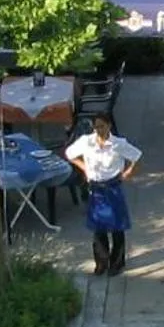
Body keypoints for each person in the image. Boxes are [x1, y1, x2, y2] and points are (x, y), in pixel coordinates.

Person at [63, 114, 140, 275]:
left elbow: (136, 157)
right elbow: (69, 154)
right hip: (96, 188)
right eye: (96, 127)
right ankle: (101, 262)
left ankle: (117, 262)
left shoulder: (118, 144)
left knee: (117, 226)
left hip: (112, 187)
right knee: (99, 227)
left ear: (109, 126)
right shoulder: (87, 142)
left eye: (102, 126)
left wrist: (128, 172)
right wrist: (84, 167)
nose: (99, 130)